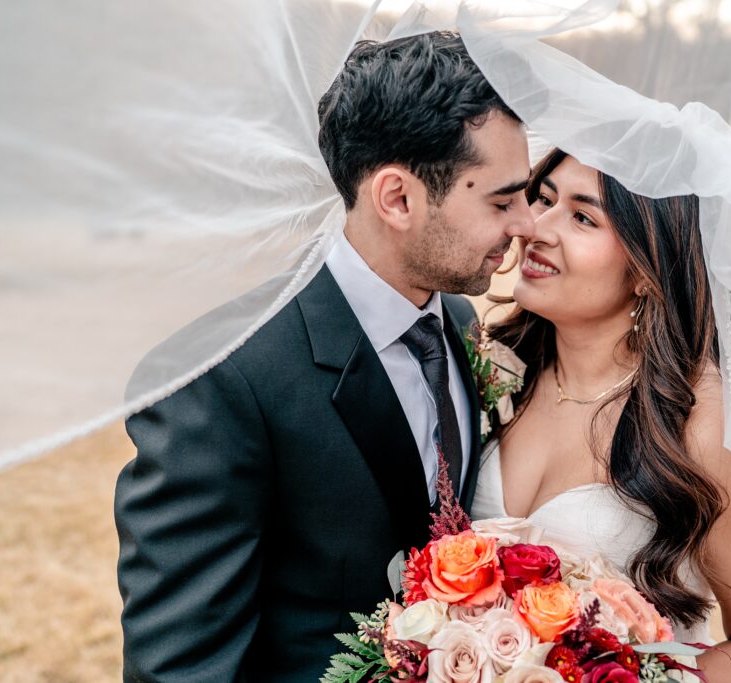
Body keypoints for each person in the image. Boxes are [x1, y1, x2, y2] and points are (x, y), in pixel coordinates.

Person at [114, 31, 534, 682]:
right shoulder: (222, 375)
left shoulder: (455, 318)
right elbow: (181, 664)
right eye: (502, 200)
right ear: (397, 198)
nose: (527, 223)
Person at [471, 149, 731, 681]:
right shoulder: (494, 368)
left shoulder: (710, 424)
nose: (536, 227)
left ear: (648, 272)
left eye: (583, 217)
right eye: (544, 199)